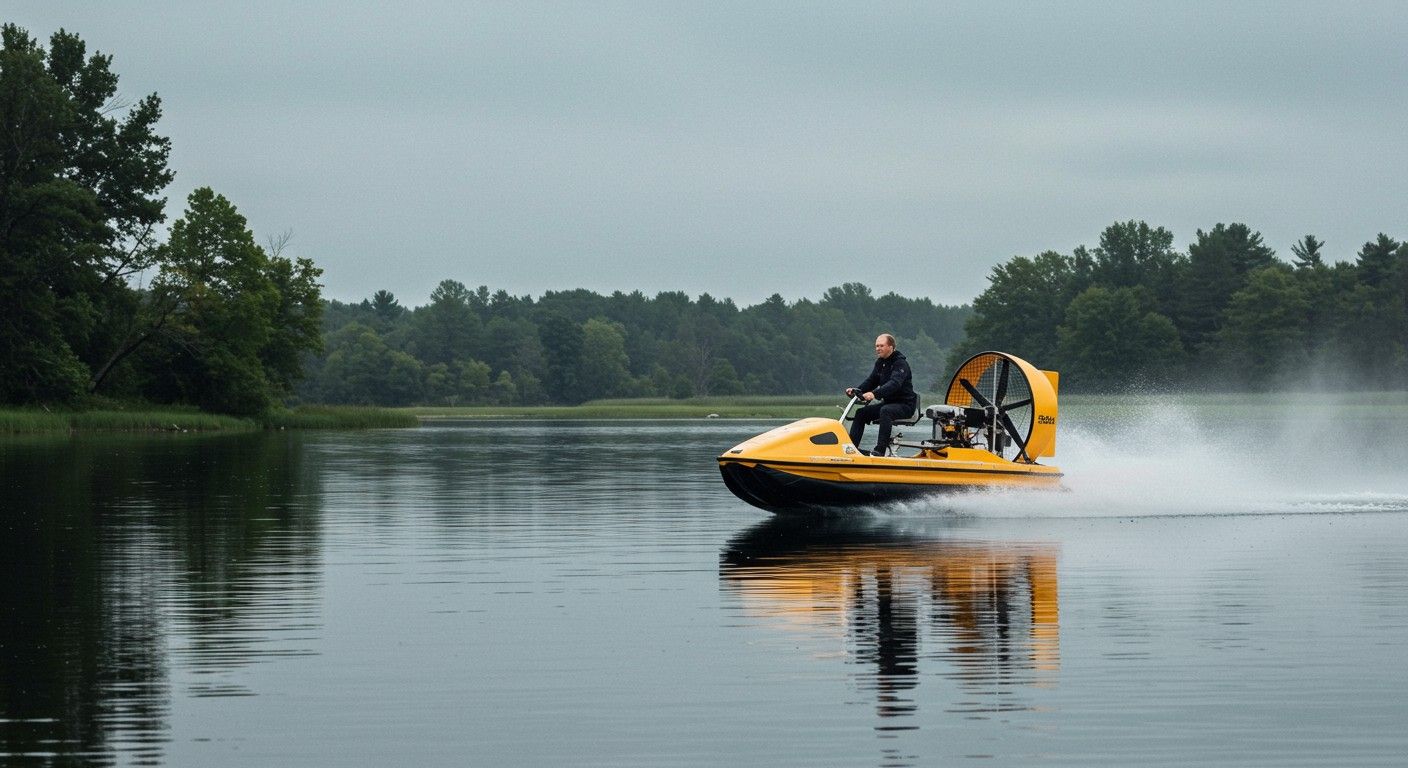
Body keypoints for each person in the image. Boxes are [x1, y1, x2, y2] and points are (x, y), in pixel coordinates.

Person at [845, 333, 916, 456]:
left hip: (905, 405)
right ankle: (851, 449)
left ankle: (880, 451)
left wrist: (874, 394)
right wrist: (857, 390)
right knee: (861, 413)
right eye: (876, 346)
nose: (878, 348)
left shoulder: (900, 363)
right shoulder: (880, 363)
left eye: (881, 345)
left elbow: (895, 384)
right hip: (889, 403)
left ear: (891, 347)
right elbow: (871, 381)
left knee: (885, 410)